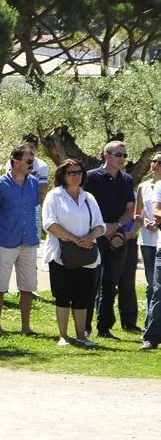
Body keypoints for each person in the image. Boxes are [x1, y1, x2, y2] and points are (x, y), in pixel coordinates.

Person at [42, 159, 105, 347]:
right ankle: (63, 336)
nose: (76, 175)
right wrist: (74, 238)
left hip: (86, 256)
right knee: (62, 296)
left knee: (82, 297)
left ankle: (81, 336)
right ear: (63, 175)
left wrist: (89, 237)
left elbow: (100, 226)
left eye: (78, 172)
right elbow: (49, 224)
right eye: (71, 172)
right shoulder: (54, 196)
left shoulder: (89, 198)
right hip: (61, 255)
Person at [83, 141, 138, 337]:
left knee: (110, 282)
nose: (122, 158)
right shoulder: (91, 177)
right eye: (118, 154)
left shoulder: (126, 179)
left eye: (124, 155)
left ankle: (104, 328)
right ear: (106, 155)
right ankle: (85, 327)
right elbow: (85, 206)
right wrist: (103, 229)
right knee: (92, 280)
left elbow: (130, 210)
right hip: (95, 234)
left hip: (117, 234)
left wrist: (116, 227)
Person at [0, 146, 40, 335]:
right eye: (28, 161)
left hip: (29, 241)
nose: (31, 164)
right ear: (16, 162)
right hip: (7, 241)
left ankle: (26, 327)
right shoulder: (0, 185)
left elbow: (34, 207)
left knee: (27, 286)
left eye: (32, 161)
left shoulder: (34, 183)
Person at [137, 156, 161, 322]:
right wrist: (145, 221)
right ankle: (148, 323)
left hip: (159, 238)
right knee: (150, 284)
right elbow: (137, 213)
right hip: (147, 240)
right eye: (154, 161)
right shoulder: (143, 186)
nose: (157, 164)